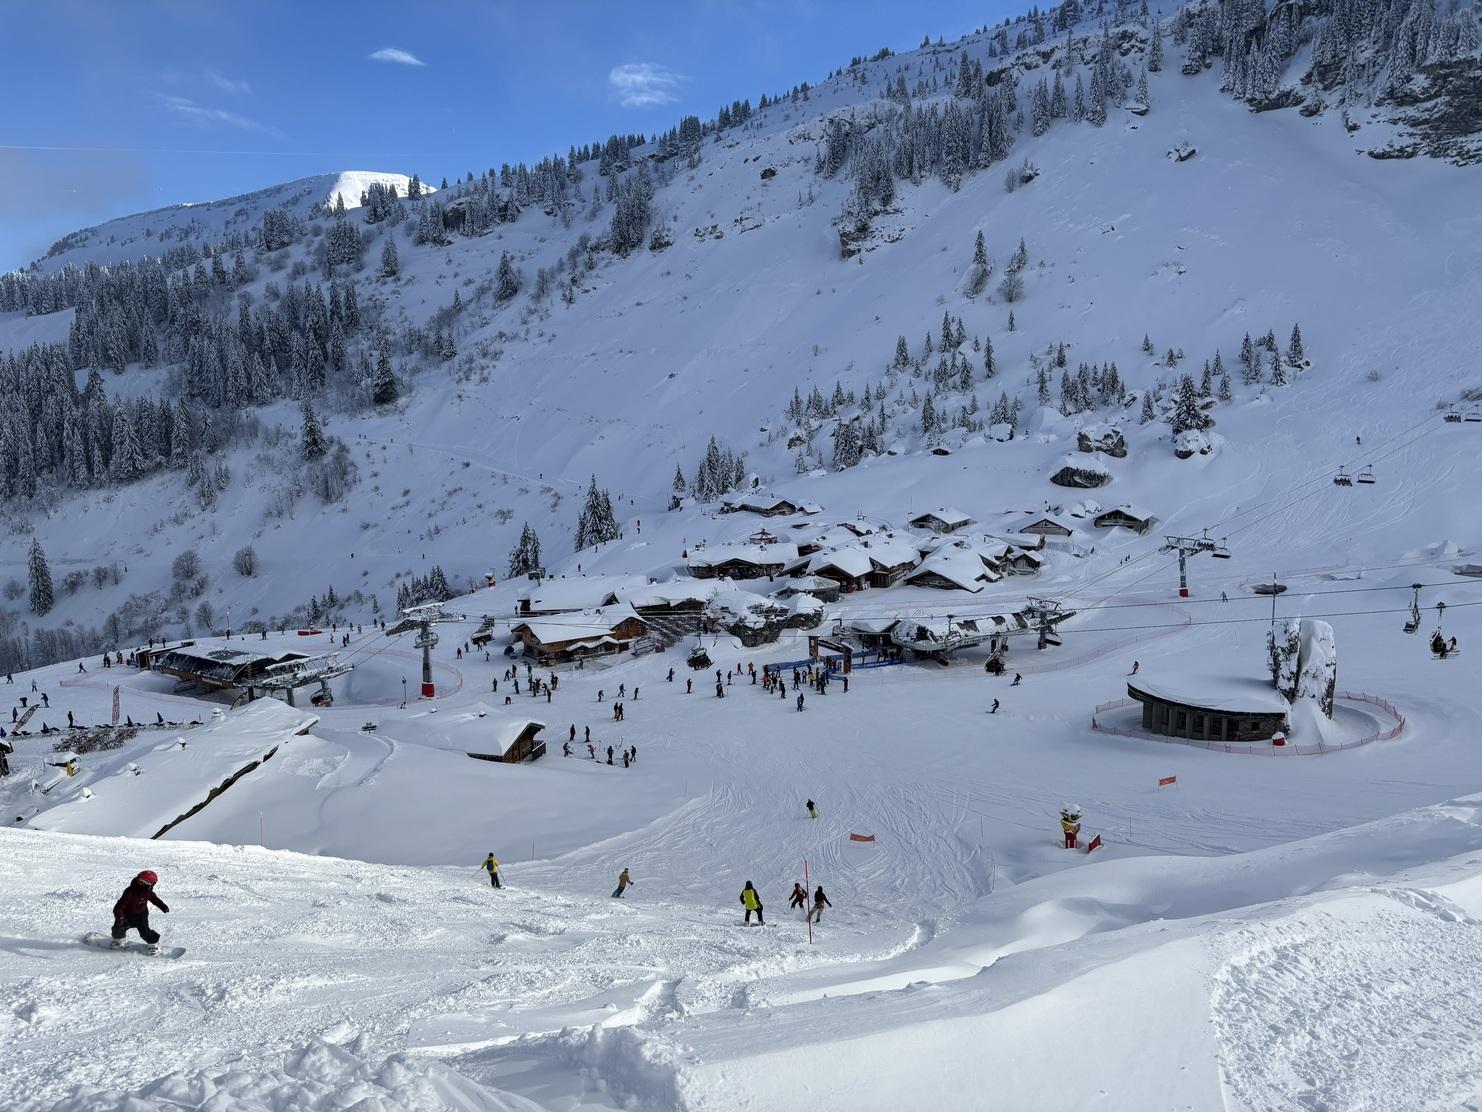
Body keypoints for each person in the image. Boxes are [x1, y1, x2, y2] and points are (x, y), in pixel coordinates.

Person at [111, 870, 169, 953]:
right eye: (139, 879)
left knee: (145, 932)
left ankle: (153, 945)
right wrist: (120, 917)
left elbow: (155, 899)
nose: (139, 882)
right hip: (126, 916)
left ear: (149, 884)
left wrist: (163, 906)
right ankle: (118, 942)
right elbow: (118, 907)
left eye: (142, 882)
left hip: (141, 916)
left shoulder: (148, 892)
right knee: (118, 929)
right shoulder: (129, 892)